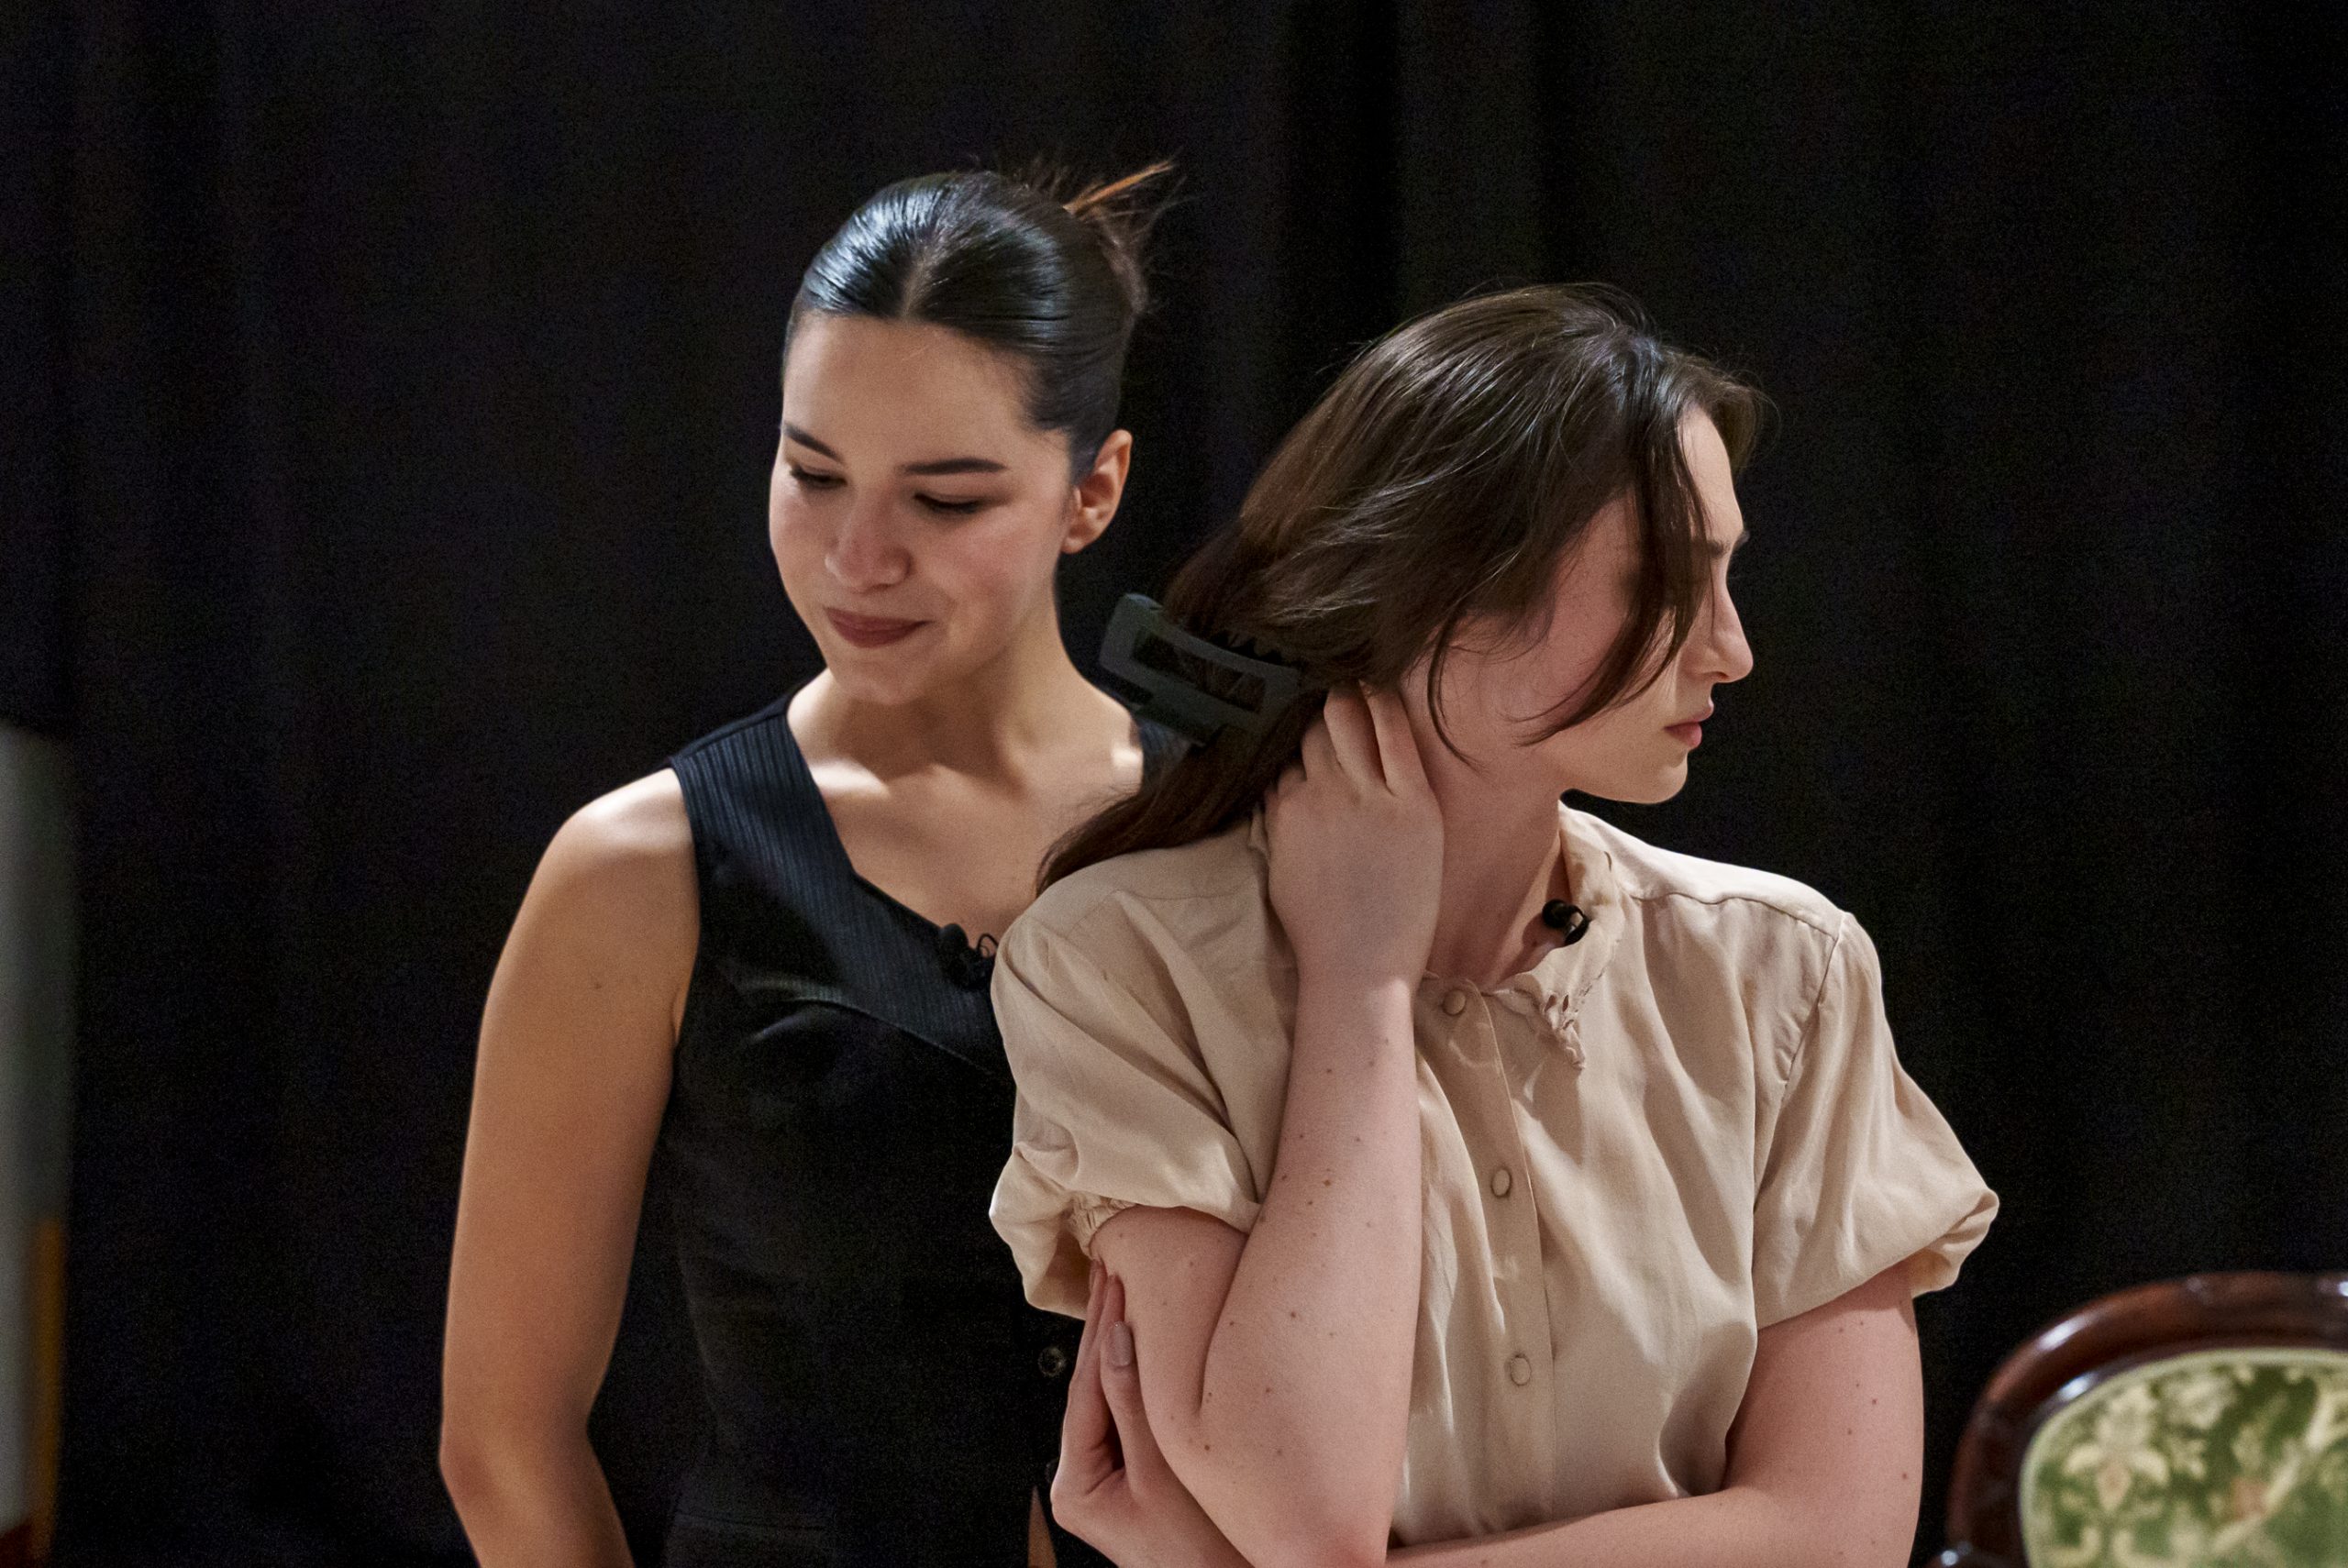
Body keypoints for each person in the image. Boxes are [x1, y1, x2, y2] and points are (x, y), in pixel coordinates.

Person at [989, 285, 1998, 1568]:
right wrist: (1360, 981)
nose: (1733, 648)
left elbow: (1836, 1537)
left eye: (1727, 575)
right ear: (1445, 586)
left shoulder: (1782, 970)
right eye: (1669, 582)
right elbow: (1307, 1509)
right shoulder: (1119, 964)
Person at [439, 162, 1178, 1567]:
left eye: (944, 499)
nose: (856, 556)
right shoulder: (639, 868)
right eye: (812, 472)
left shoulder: (1231, 826)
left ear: (1094, 490)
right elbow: (503, 1437)